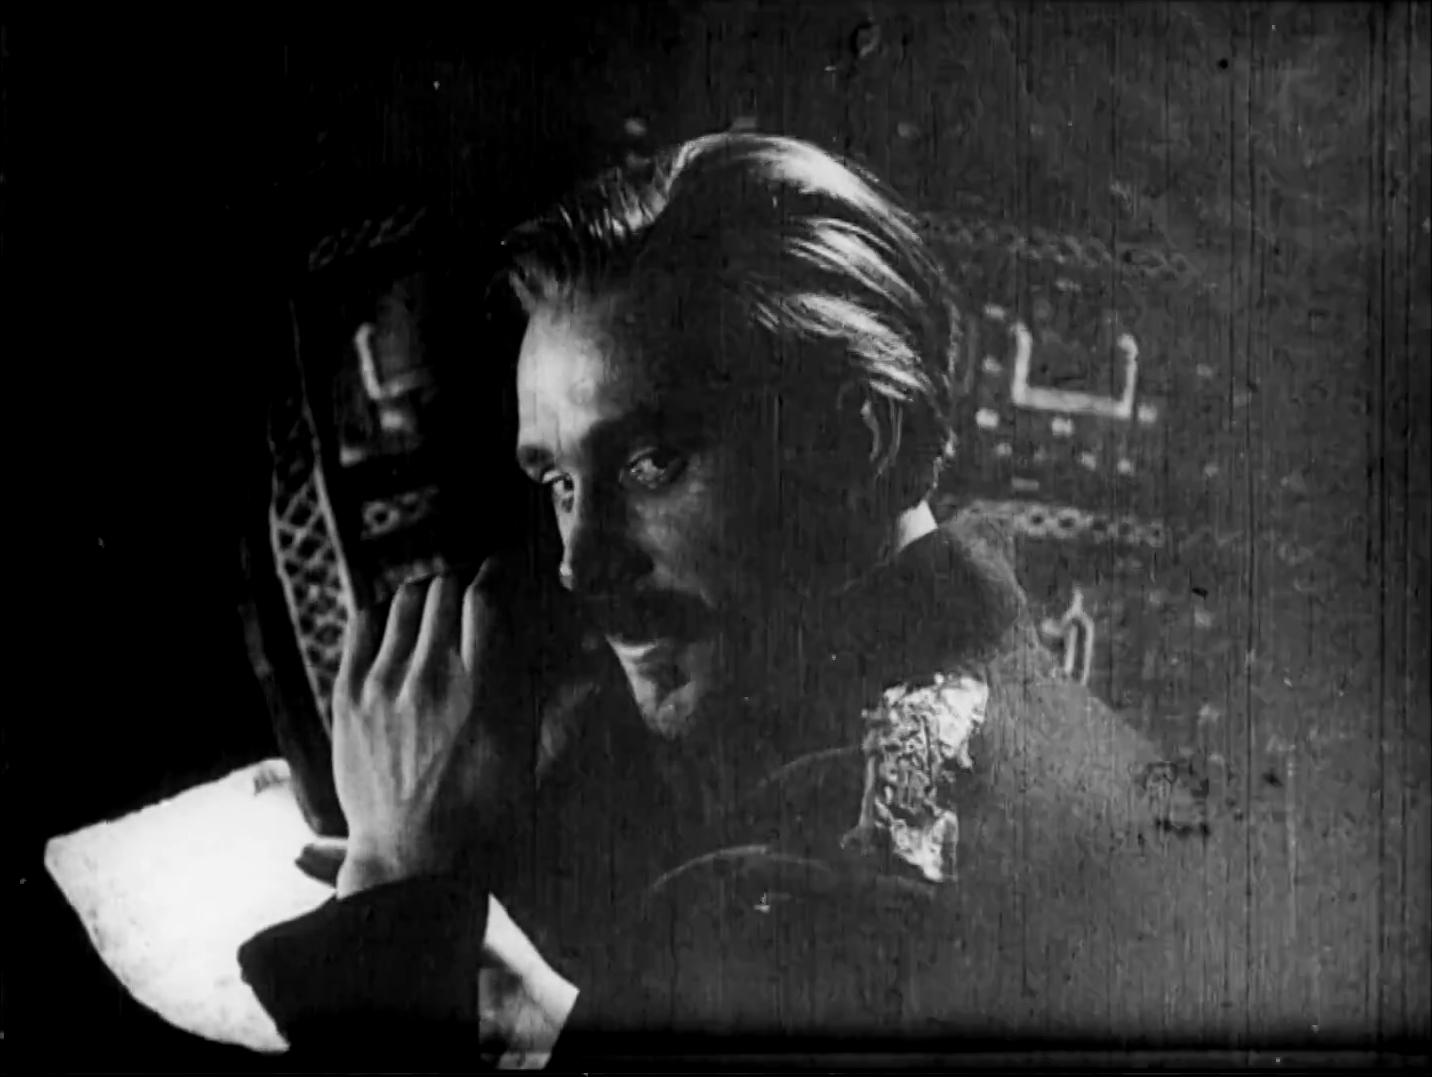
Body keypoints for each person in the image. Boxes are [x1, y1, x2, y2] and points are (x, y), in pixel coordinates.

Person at [238, 131, 1213, 1069]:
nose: (580, 562)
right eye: (560, 482)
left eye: (652, 462)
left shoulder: (792, 895)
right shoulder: (1026, 722)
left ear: (856, 443)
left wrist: (396, 890)